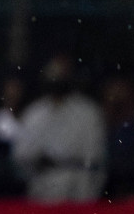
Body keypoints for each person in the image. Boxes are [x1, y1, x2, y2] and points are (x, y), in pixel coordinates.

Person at [11, 54, 107, 202]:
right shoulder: (35, 113)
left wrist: (87, 200)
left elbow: (95, 159)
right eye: (54, 73)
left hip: (78, 194)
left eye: (62, 74)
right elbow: (20, 157)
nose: (58, 78)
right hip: (41, 193)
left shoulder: (88, 112)